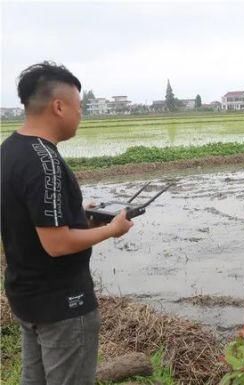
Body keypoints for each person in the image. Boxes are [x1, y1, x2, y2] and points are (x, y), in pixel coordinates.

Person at [0, 61, 133, 385]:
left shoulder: (9, 151)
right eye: (80, 106)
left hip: (27, 297)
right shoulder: (45, 161)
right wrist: (111, 229)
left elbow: (23, 213)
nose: (81, 115)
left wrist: (74, 208)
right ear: (59, 106)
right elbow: (56, 244)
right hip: (63, 305)